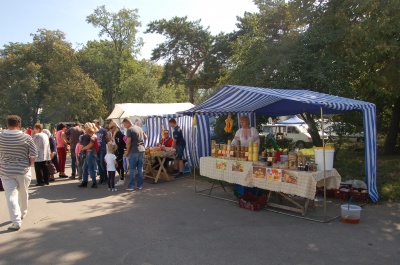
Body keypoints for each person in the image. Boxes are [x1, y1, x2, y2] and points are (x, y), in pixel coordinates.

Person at [0, 115, 38, 231]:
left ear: (7, 124)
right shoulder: (26, 137)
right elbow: (34, 154)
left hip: (6, 170)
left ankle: (16, 221)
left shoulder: (0, 137)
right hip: (23, 170)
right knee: (23, 192)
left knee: (10, 195)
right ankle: (22, 212)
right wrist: (29, 165)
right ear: (19, 125)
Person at [123, 117, 146, 191]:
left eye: (124, 124)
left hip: (134, 150)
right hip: (141, 149)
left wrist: (127, 151)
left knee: (132, 169)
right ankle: (140, 185)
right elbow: (145, 137)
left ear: (127, 122)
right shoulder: (139, 128)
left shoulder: (129, 130)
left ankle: (131, 185)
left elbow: (128, 142)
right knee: (140, 168)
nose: (124, 126)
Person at [78, 123, 98, 188]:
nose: (85, 128)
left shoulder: (89, 136)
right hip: (90, 152)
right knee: (85, 167)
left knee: (90, 168)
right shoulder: (92, 135)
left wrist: (83, 148)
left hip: (90, 152)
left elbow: (90, 144)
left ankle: (94, 182)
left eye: (86, 127)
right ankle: (85, 181)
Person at [108, 121, 126, 187]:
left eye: (111, 127)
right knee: (117, 165)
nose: (110, 129)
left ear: (115, 127)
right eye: (110, 128)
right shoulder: (113, 133)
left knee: (119, 165)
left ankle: (122, 179)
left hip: (119, 151)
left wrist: (119, 146)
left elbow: (123, 140)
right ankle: (122, 178)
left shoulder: (118, 133)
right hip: (116, 151)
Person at [93, 119, 109, 184]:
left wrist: (107, 145)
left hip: (102, 148)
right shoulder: (94, 131)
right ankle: (101, 178)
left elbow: (107, 138)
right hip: (97, 149)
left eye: (95, 124)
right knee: (98, 163)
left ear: (98, 124)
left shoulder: (103, 131)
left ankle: (105, 177)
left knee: (102, 163)